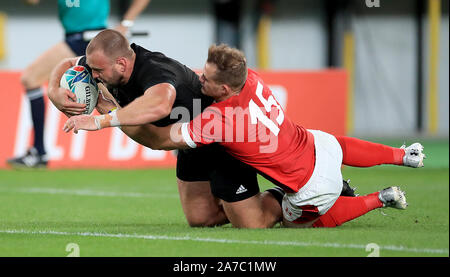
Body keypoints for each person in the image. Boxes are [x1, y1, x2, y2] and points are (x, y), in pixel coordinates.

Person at [63, 44, 426, 228]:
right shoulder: (248, 79)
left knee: (275, 219)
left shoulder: (220, 121)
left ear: (222, 87)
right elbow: (201, 79)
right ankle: (403, 155)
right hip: (315, 144)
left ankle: (380, 197)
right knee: (335, 145)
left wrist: (107, 117)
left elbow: (160, 140)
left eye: (205, 80)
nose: (198, 81)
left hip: (311, 184)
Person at [48, 29, 285, 228]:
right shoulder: (105, 66)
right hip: (188, 144)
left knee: (251, 223)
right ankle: (237, 204)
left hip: (218, 140)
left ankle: (281, 199)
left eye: (98, 71)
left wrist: (102, 119)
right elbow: (68, 63)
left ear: (121, 63)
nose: (94, 76)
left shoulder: (155, 70)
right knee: (201, 219)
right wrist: (53, 91)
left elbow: (159, 114)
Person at [7, 0, 151, 168]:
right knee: (117, 100)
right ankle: (39, 151)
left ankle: (39, 152)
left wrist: (126, 22)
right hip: (74, 38)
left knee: (120, 98)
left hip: (91, 38)